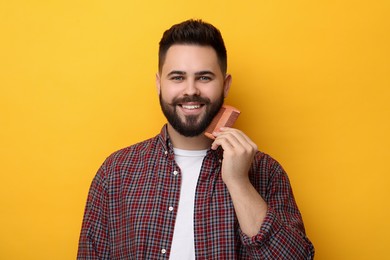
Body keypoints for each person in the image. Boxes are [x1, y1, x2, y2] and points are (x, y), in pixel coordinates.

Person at [77, 19, 315, 259]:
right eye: (178, 77)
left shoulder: (266, 172)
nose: (190, 90)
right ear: (159, 84)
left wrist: (239, 183)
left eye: (204, 78)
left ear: (225, 85)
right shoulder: (116, 172)